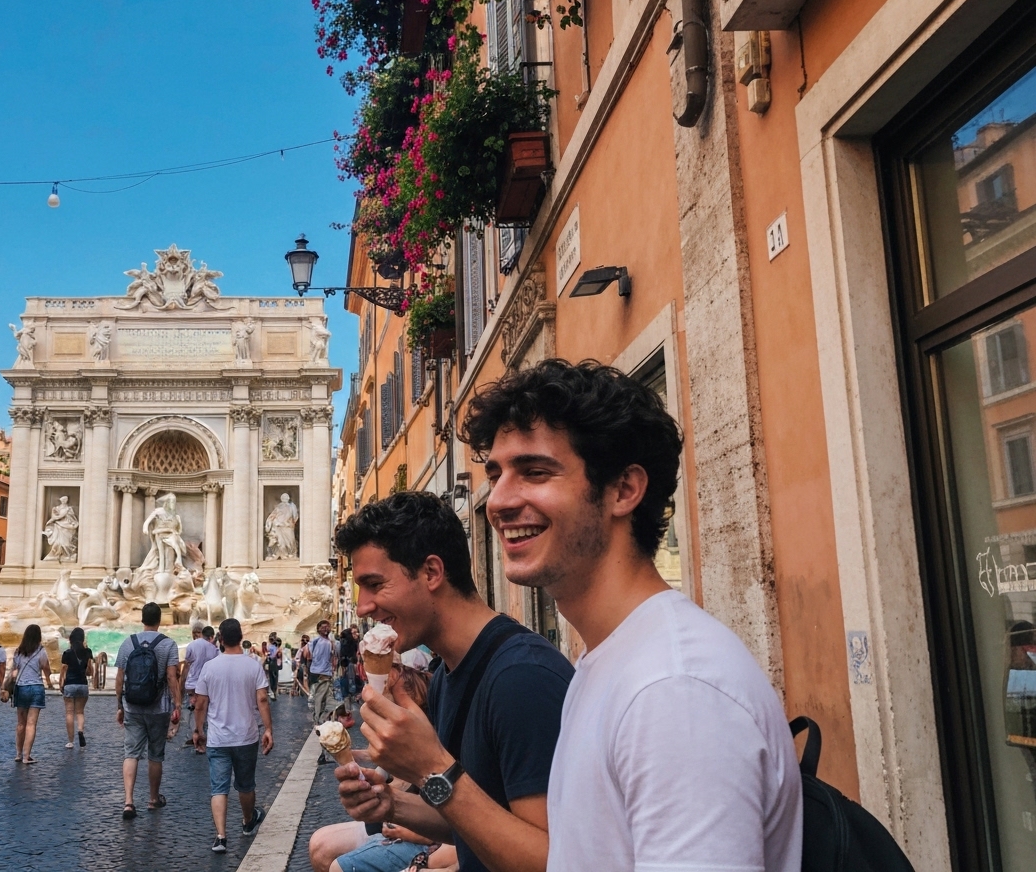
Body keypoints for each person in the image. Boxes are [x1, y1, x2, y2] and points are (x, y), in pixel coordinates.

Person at [461, 358, 803, 870]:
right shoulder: (611, 660)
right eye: (496, 474)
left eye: (534, 472)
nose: (500, 500)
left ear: (623, 490)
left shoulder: (673, 690)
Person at [332, 491, 574, 872]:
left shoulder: (522, 679)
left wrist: (430, 766)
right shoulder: (446, 675)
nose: (363, 606)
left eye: (375, 584)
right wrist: (391, 804)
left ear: (431, 573)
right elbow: (472, 821)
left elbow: (554, 860)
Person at [310, 666, 437, 872]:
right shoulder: (396, 743)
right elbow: (380, 774)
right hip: (397, 826)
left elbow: (448, 830)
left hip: (422, 841)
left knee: (336, 864)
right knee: (319, 843)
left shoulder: (425, 746)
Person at [194, 617, 273, 854]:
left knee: (219, 788)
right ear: (241, 637)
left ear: (220, 639)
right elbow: (262, 700)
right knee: (245, 785)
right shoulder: (253, 665)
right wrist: (268, 728)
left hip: (218, 738)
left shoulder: (210, 667)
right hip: (246, 736)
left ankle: (220, 837)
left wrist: (198, 731)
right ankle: (248, 821)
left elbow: (200, 704)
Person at [115, 602, 181, 820]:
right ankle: (153, 799)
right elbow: (172, 677)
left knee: (130, 753)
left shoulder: (128, 643)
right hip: (158, 708)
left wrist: (119, 705)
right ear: (159, 620)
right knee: (155, 754)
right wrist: (177, 705)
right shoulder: (168, 645)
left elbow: (119, 678)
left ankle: (128, 802)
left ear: (142, 619)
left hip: (132, 706)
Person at [10, 624, 51, 764]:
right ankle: (27, 756)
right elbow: (46, 668)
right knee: (31, 724)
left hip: (21, 688)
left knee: (20, 723)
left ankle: (18, 754)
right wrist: (49, 681)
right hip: (36, 688)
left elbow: (13, 671)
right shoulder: (41, 651)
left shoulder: (19, 651)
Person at [182, 623, 219, 754]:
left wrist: (182, 682)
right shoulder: (214, 649)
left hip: (192, 684)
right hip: (206, 684)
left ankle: (196, 735)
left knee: (193, 711)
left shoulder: (192, 646)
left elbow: (187, 666)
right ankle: (205, 737)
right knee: (207, 710)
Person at [304, 619, 336, 751]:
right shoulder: (318, 642)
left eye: (327, 627)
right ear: (318, 629)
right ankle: (319, 721)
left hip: (323, 673)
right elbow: (307, 655)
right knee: (320, 699)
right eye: (323, 627)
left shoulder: (326, 642)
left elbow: (307, 655)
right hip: (320, 673)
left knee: (322, 699)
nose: (326, 629)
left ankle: (320, 720)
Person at [61, 627, 94, 749]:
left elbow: (64, 669)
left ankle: (70, 741)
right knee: (80, 712)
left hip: (69, 684)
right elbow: (90, 671)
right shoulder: (88, 652)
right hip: (83, 684)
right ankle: (80, 730)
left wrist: (61, 683)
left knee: (69, 712)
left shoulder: (67, 653)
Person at [265, 636, 281, 701]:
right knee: (274, 678)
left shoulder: (269, 647)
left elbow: (268, 655)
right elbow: (273, 656)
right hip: (273, 664)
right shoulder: (275, 648)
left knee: (272, 678)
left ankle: (273, 693)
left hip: (271, 664)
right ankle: (273, 693)